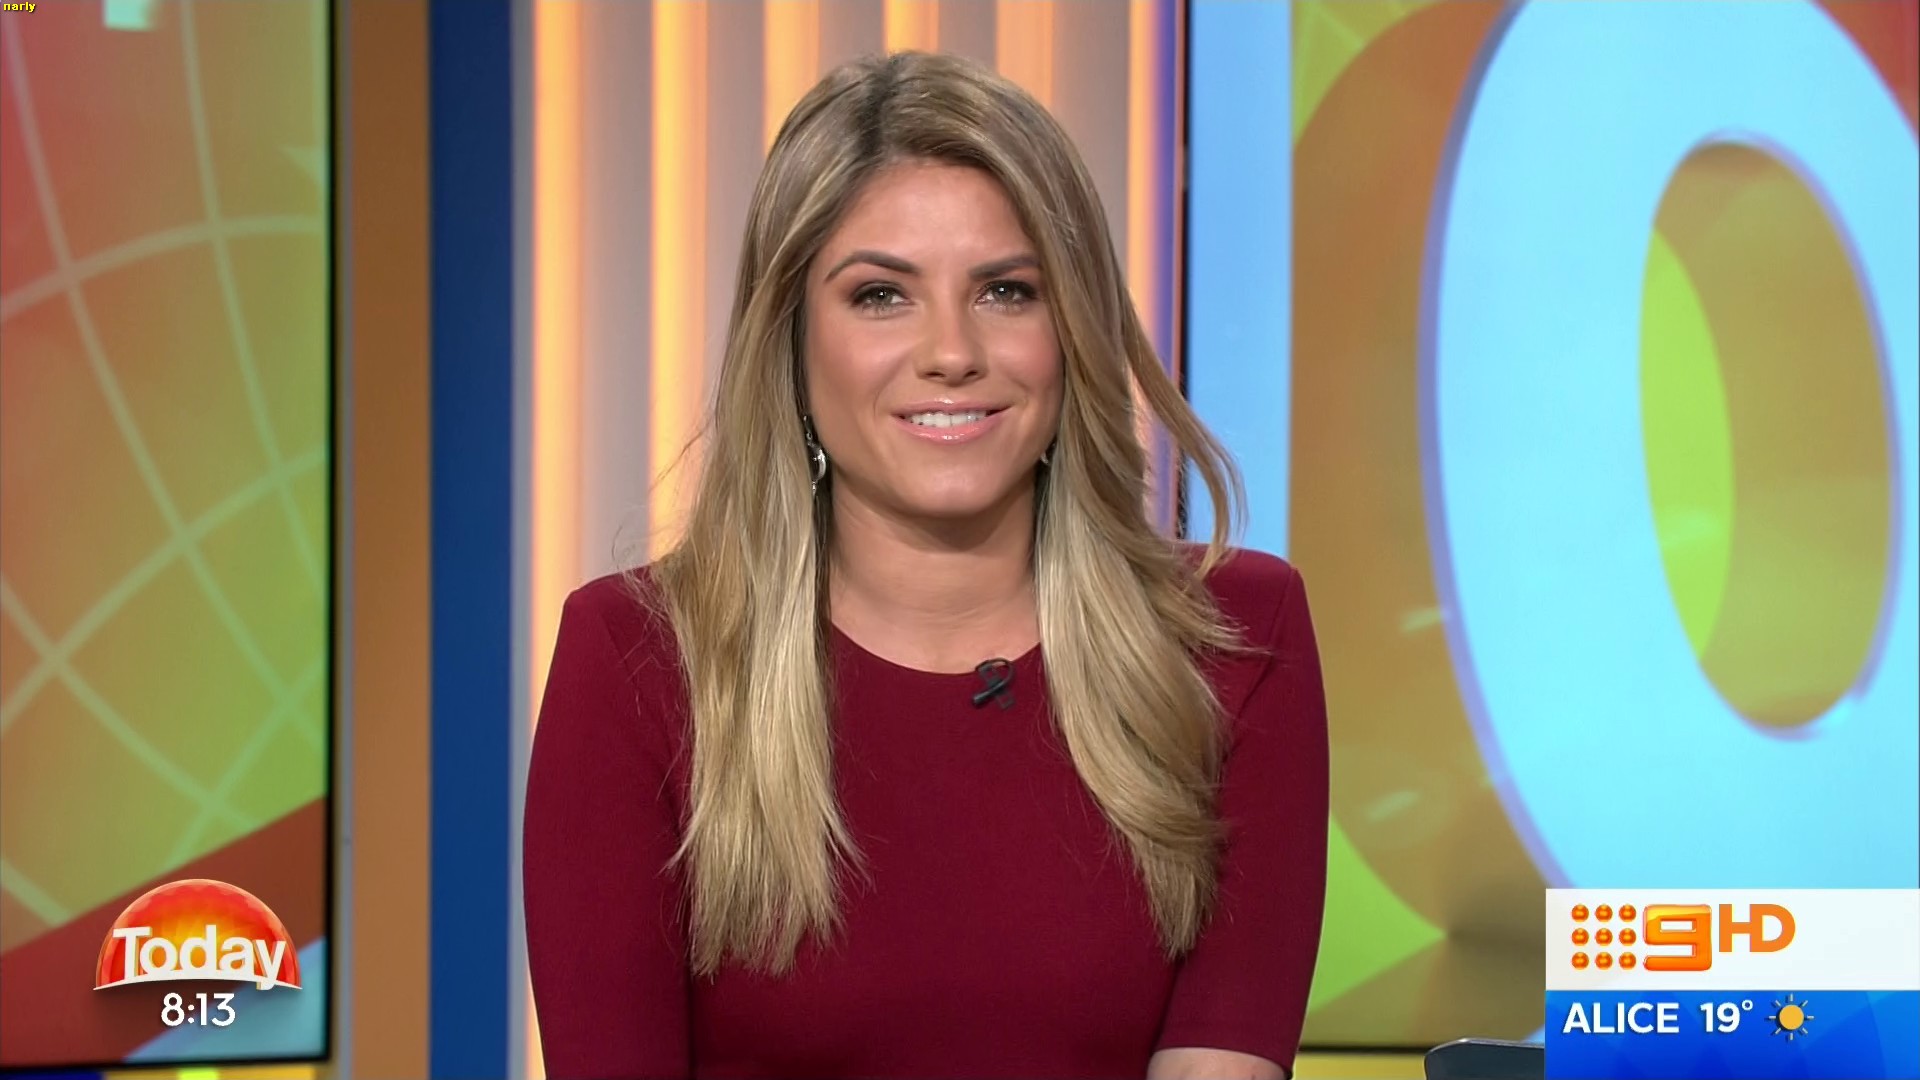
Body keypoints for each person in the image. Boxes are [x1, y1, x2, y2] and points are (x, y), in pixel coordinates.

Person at [523, 51, 1329, 1080]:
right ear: (790, 338)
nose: (952, 351)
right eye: (880, 295)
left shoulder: (1234, 641)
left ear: (1073, 327)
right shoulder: (637, 661)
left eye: (1006, 291)